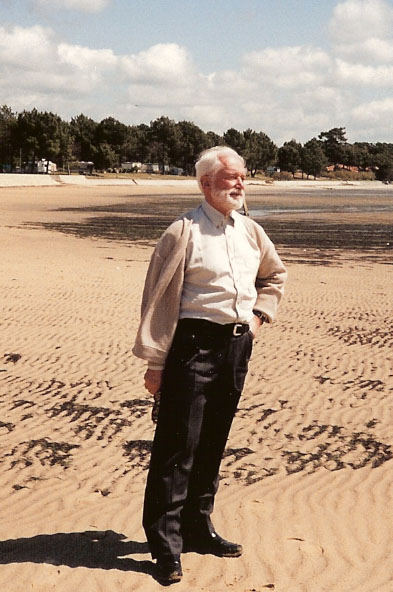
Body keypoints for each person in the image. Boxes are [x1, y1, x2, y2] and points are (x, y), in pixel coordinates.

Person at [133, 146, 287, 584]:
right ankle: (165, 545)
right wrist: (155, 362)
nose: (240, 184)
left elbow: (275, 276)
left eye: (243, 177)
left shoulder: (251, 232)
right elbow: (158, 302)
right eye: (230, 178)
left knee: (213, 441)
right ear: (205, 184)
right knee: (177, 447)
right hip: (191, 348)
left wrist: (258, 318)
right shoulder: (181, 233)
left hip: (237, 349)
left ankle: (198, 527)